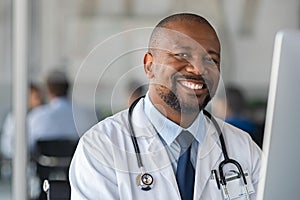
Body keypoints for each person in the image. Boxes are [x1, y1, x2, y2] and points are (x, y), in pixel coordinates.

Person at [69, 13, 261, 199]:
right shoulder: (100, 146)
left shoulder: (242, 147)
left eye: (211, 59)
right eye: (182, 55)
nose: (198, 69)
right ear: (149, 65)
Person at [27, 70, 96, 153]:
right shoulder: (85, 115)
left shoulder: (36, 116)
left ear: (47, 90)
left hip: (43, 165)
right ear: (68, 88)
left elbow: (27, 147)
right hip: (76, 164)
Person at [1, 83, 43, 159]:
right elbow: (6, 145)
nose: (39, 101)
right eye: (36, 97)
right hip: (16, 160)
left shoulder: (40, 117)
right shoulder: (14, 118)